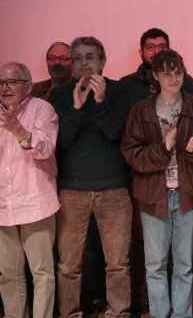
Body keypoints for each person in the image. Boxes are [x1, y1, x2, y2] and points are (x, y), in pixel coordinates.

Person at [121, 50, 193, 318]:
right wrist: (165, 146)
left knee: (184, 264)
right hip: (152, 197)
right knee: (155, 265)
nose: (173, 78)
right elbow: (132, 155)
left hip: (187, 195)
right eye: (167, 73)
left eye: (178, 72)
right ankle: (160, 314)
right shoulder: (141, 110)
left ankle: (182, 314)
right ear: (156, 76)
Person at [51, 36, 132, 317]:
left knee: (118, 263)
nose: (84, 64)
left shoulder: (120, 92)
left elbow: (115, 134)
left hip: (114, 189)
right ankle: (70, 313)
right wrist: (75, 108)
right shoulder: (60, 94)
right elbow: (59, 143)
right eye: (78, 58)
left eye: (90, 57)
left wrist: (99, 101)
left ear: (103, 61)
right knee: (69, 265)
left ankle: (118, 312)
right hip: (72, 190)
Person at [0, 62, 59, 318]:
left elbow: (44, 149)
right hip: (3, 206)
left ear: (27, 85)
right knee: (8, 276)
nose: (5, 88)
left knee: (42, 274)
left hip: (36, 204)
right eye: (1, 83)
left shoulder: (42, 109)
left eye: (11, 82)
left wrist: (16, 128)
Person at [121, 28, 193, 104]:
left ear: (169, 50)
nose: (157, 52)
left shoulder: (186, 81)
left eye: (162, 47)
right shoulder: (126, 84)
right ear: (141, 52)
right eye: (150, 47)